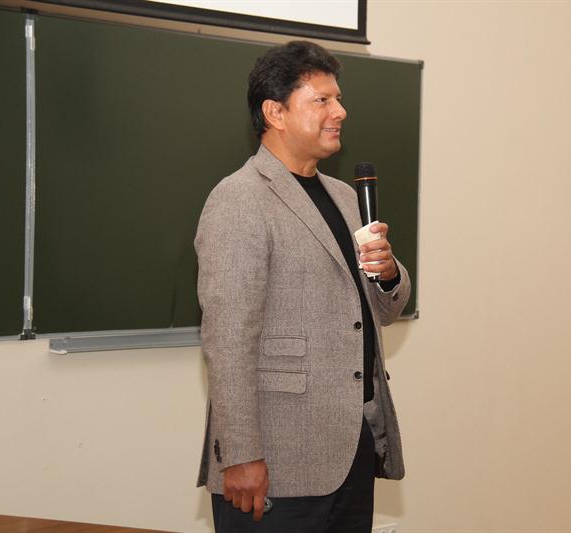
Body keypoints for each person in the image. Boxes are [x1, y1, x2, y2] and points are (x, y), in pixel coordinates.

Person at [194, 40, 411, 532]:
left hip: (352, 448)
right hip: (277, 461)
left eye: (338, 99)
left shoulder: (345, 196)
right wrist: (241, 455)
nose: (340, 112)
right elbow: (228, 340)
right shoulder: (240, 199)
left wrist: (389, 273)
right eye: (322, 100)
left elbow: (382, 311)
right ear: (276, 112)